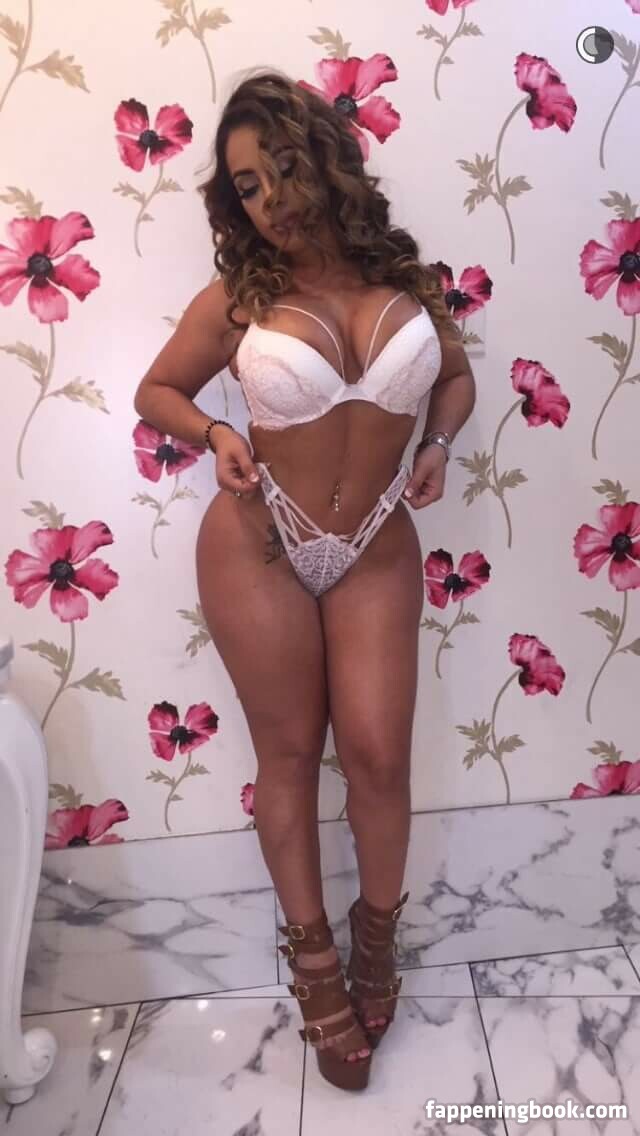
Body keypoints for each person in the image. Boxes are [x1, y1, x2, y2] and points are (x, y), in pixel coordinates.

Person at [133, 69, 475, 1092]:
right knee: (288, 754)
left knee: (377, 756)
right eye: (246, 184)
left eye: (281, 167)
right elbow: (157, 389)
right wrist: (215, 431)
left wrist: (438, 444)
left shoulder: (407, 282)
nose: (269, 198)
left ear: (325, 159)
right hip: (261, 540)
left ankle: (377, 937)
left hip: (374, 538)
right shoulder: (239, 297)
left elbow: (456, 375)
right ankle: (315, 961)